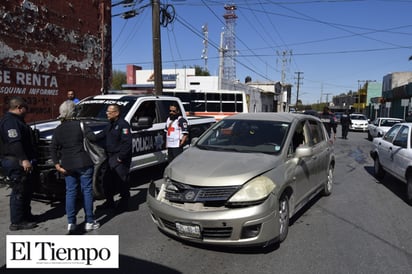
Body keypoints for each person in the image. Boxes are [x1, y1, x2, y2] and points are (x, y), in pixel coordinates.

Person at [50, 100, 99, 233]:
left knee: (70, 192)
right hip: (84, 162)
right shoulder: (81, 125)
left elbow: (53, 148)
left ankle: (71, 222)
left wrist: (56, 164)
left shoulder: (58, 129)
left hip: (67, 165)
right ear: (74, 111)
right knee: (87, 191)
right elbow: (93, 139)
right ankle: (89, 221)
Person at [0, 97, 38, 231]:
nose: (26, 111)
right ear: (19, 107)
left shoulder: (16, 120)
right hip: (15, 161)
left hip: (19, 161)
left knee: (26, 189)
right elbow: (15, 143)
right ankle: (17, 222)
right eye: (25, 109)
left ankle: (26, 215)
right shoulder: (10, 122)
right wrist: (24, 159)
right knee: (19, 190)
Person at [97, 104, 132, 212]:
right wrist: (87, 134)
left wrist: (120, 158)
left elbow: (127, 143)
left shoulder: (123, 125)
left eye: (109, 111)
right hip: (110, 157)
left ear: (116, 113)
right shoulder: (110, 124)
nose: (107, 113)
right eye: (107, 111)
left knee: (122, 181)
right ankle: (109, 202)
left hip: (119, 158)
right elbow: (100, 135)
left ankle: (124, 204)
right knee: (107, 181)